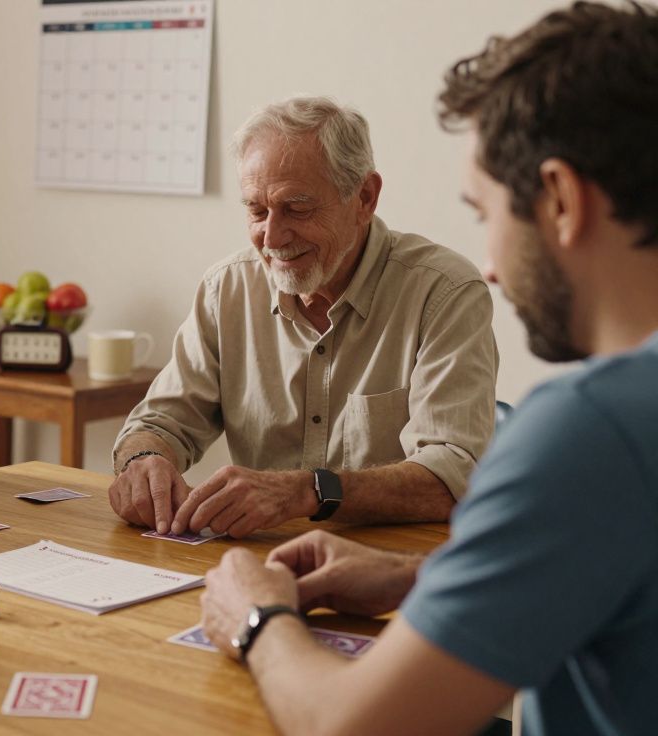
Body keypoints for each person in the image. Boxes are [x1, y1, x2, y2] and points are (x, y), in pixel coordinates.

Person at [201, 3, 658, 734]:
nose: (491, 266)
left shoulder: (590, 430)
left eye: (487, 213)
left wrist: (257, 616)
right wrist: (418, 577)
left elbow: (349, 724)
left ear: (562, 200)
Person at [109, 96, 498, 538]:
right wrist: (145, 462)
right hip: (254, 562)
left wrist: (307, 492)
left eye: (297, 208)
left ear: (364, 198)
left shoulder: (443, 292)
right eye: (256, 210)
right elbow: (160, 423)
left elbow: (452, 478)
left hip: (394, 569)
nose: (272, 237)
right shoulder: (227, 289)